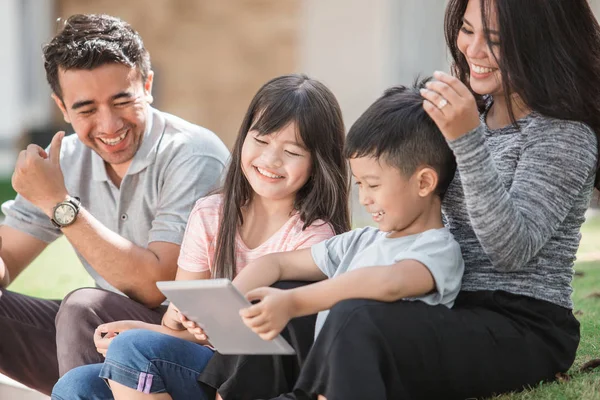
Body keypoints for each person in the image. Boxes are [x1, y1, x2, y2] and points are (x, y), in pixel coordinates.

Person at [265, 0, 600, 399]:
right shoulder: (469, 109)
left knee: (354, 317)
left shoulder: (564, 135)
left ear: (538, 42)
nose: (471, 50)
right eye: (467, 29)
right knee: (286, 296)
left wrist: (467, 140)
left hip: (520, 324)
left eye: (493, 39)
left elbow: (510, 250)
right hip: (440, 296)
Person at [51, 73, 351, 400]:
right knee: (75, 385)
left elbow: (259, 347)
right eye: (261, 141)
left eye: (292, 151)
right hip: (203, 365)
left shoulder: (314, 237)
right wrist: (166, 323)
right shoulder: (212, 213)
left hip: (255, 380)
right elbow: (178, 324)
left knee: (134, 350)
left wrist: (157, 331)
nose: (270, 160)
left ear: (317, 161)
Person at [0, 14, 229, 395]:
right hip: (98, 338)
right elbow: (6, 254)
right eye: (87, 110)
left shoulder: (192, 154)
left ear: (148, 85)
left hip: (181, 345)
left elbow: (157, 287)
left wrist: (59, 203)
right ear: (62, 106)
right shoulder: (66, 160)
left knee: (83, 307)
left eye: (122, 101)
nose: (108, 125)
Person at [195, 78, 464, 400]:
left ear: (424, 183)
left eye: (373, 185)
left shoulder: (438, 249)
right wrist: (226, 307)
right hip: (315, 381)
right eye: (359, 185)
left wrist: (293, 303)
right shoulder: (361, 241)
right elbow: (276, 263)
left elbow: (389, 282)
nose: (363, 198)